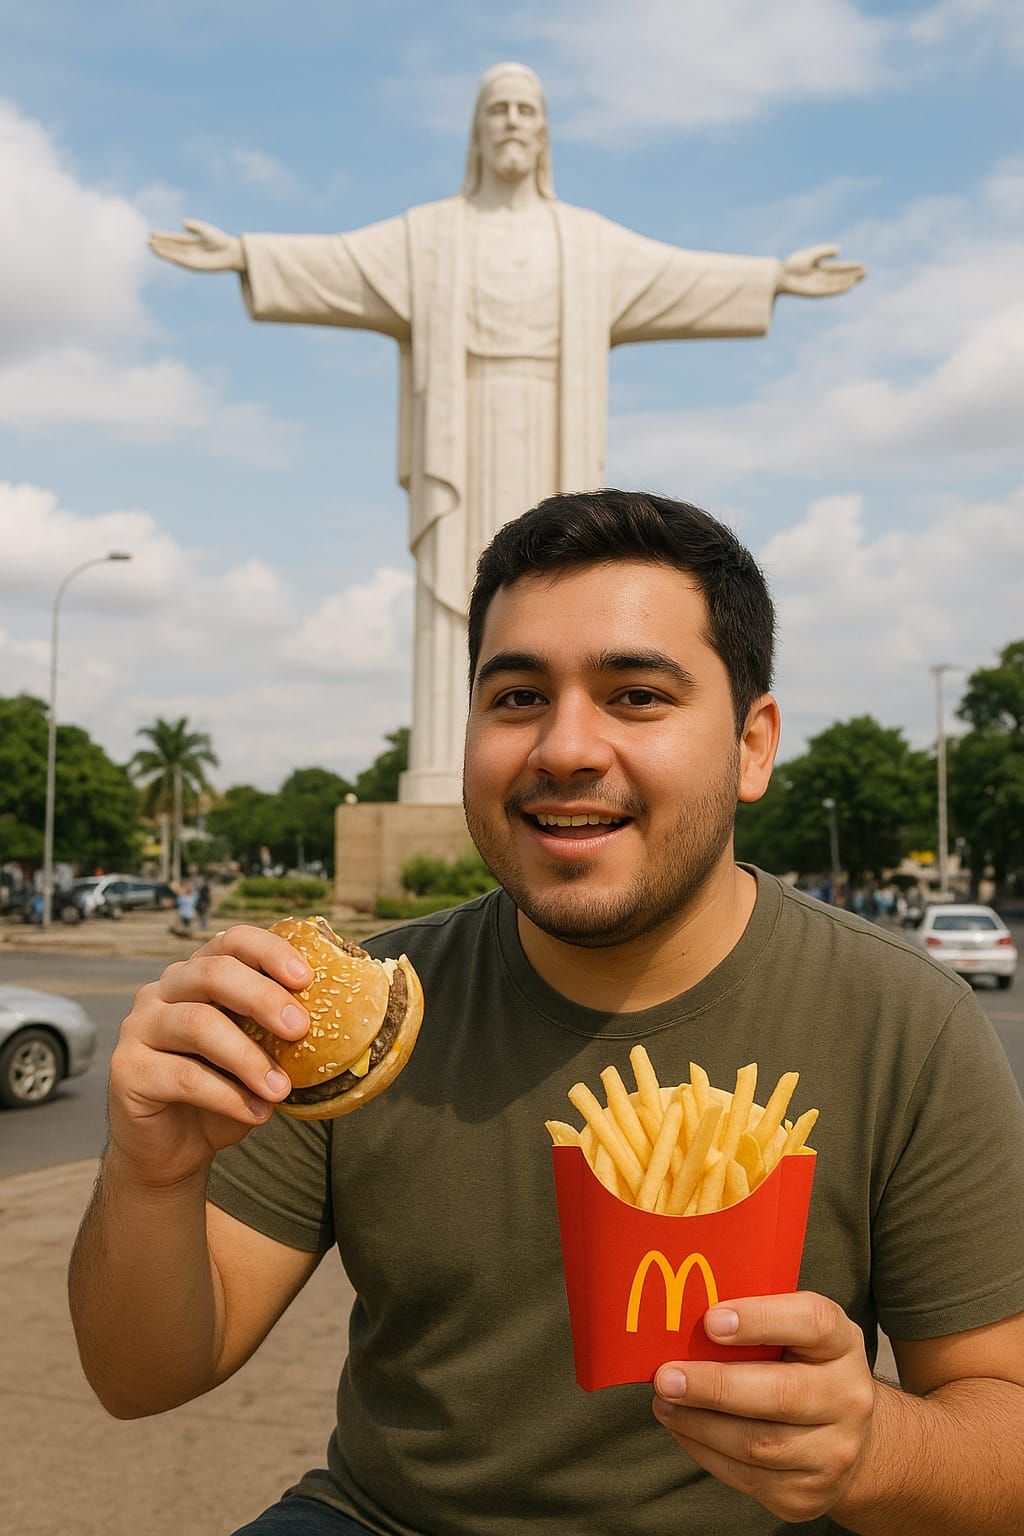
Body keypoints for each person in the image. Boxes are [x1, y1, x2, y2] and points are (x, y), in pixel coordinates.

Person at [69, 490, 1024, 1536]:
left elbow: (1003, 1435)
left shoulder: (901, 1021)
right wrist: (150, 1172)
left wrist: (870, 1448)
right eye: (517, 696)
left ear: (752, 747)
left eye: (637, 697)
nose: (565, 747)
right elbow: (141, 1375)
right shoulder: (346, 1013)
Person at [149, 63, 864, 804]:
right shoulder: (432, 236)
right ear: (478, 131)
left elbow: (677, 277)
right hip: (462, 432)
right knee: (460, 598)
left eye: (528, 110)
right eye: (500, 111)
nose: (514, 122)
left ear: (544, 131)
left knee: (567, 594)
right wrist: (245, 255)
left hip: (552, 424)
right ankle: (445, 768)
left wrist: (773, 277)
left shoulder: (584, 242)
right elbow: (343, 265)